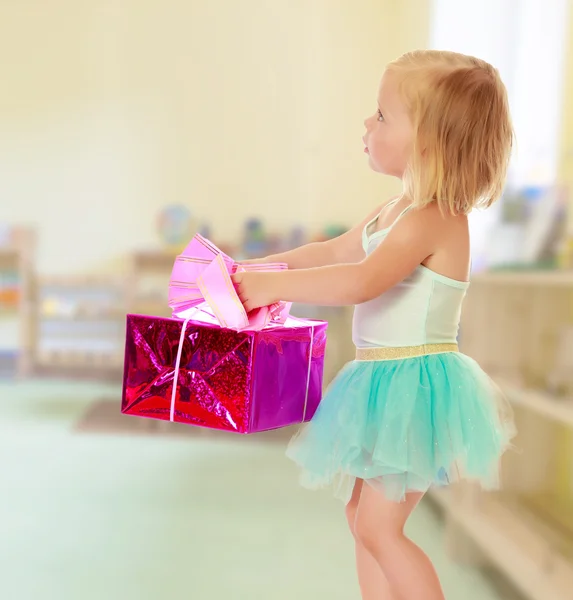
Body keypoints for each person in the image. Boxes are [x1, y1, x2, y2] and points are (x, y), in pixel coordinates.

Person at [232, 49, 516, 600]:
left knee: (380, 528)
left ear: (429, 141)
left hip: (414, 386)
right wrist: (261, 269)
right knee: (361, 519)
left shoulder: (434, 217)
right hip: (381, 382)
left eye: (382, 116)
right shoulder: (397, 209)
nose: (367, 123)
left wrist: (273, 288)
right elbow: (335, 250)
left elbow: (361, 282)